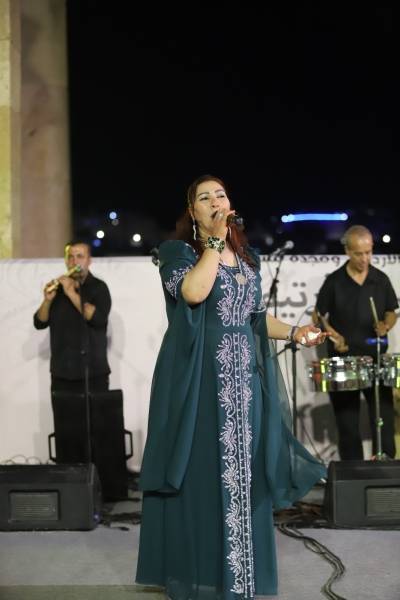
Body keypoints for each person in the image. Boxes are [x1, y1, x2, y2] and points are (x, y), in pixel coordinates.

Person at [136, 175, 327, 599]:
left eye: (220, 195)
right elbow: (193, 293)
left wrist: (296, 332)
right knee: (204, 474)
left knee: (245, 474)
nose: (214, 201)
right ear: (193, 212)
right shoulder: (178, 253)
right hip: (200, 381)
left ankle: (240, 576)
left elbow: (254, 317)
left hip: (245, 385)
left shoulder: (246, 259)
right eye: (204, 198)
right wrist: (215, 242)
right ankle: (204, 577)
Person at [312, 225, 398, 460]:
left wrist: (386, 325)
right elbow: (318, 317)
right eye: (359, 254)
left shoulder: (380, 279)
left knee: (383, 423)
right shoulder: (334, 281)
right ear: (348, 252)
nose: (365, 259)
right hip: (344, 360)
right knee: (348, 427)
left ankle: (385, 472)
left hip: (375, 359)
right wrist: (334, 335)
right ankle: (353, 474)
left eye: (368, 252)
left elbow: (392, 311)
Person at [34, 240, 112, 461]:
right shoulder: (57, 291)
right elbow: (39, 322)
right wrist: (47, 301)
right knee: (65, 434)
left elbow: (97, 319)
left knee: (95, 432)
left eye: (79, 256)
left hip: (92, 374)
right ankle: (67, 477)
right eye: (70, 256)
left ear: (89, 260)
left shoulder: (99, 288)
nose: (74, 261)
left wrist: (71, 292)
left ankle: (97, 478)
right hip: (62, 374)